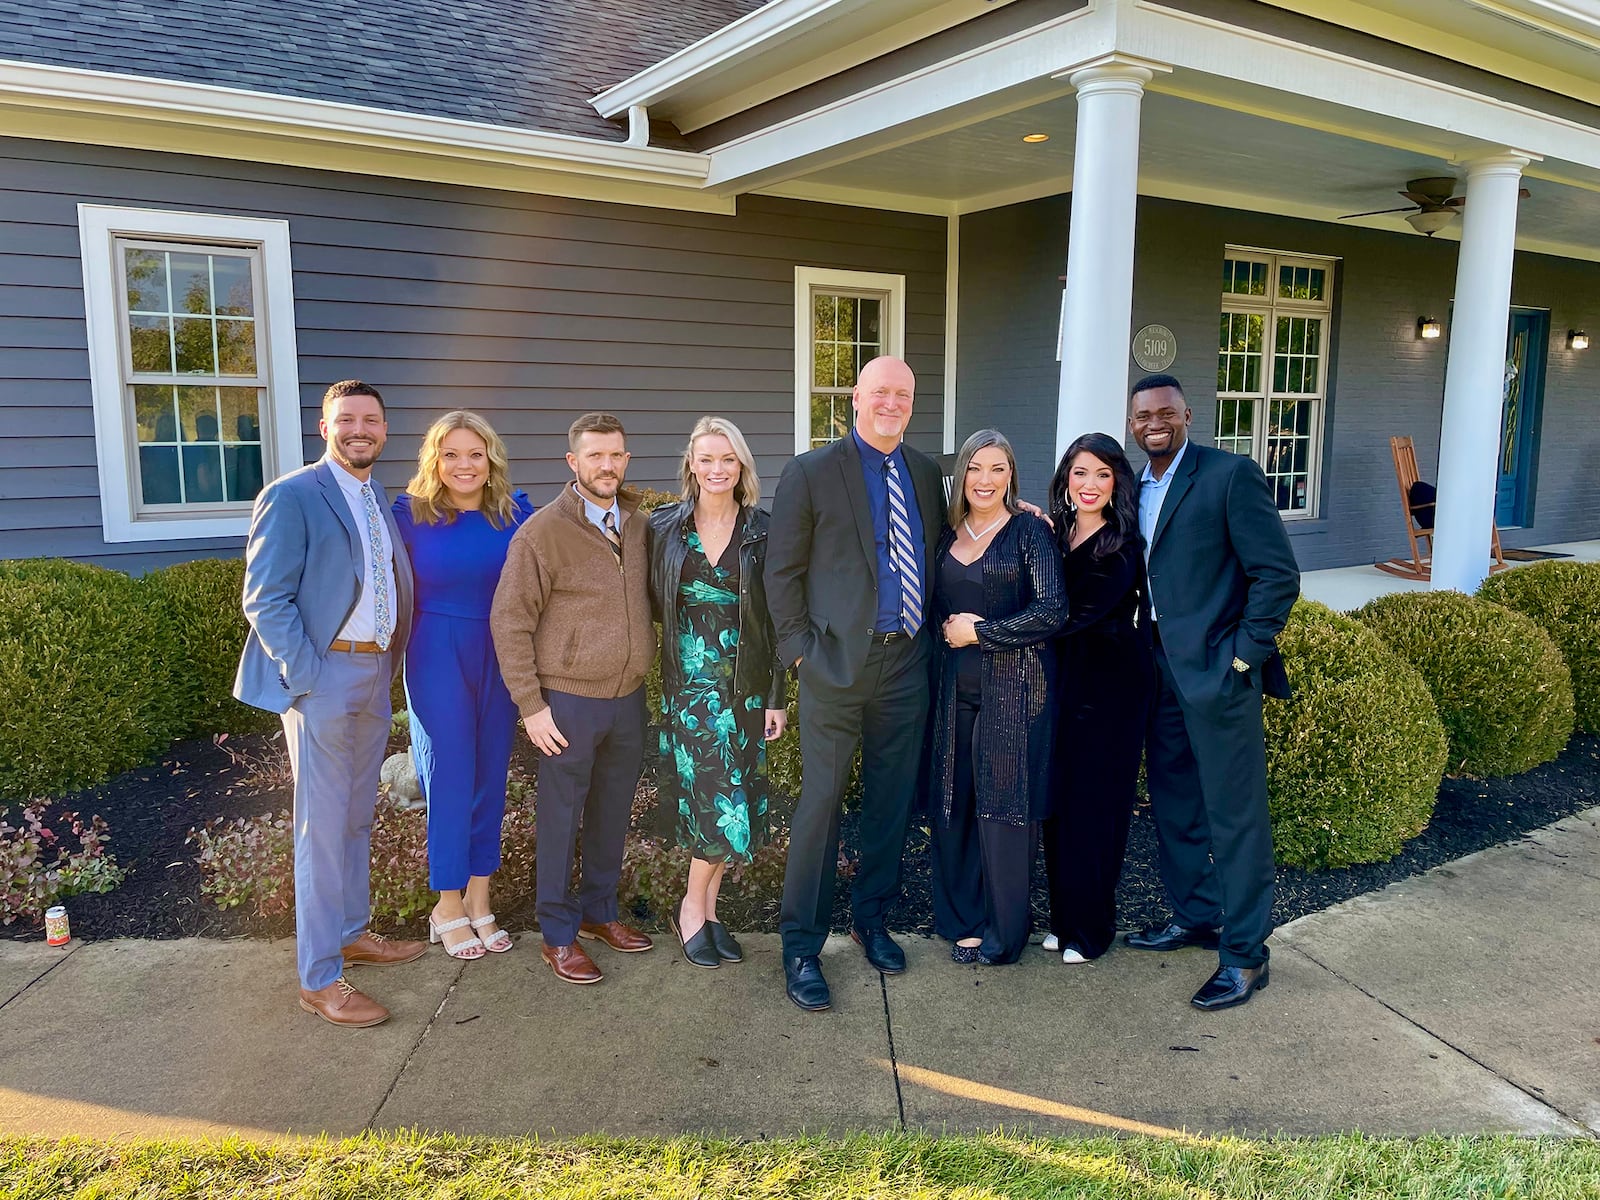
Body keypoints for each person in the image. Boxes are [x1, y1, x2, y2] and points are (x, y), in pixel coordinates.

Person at [235, 379, 426, 1028]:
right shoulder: (292, 495)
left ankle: (350, 932)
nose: (359, 430)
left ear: (385, 429)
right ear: (325, 427)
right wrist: (308, 675)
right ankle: (319, 979)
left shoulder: (376, 498)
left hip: (374, 674)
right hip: (323, 678)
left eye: (371, 420)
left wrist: (387, 664)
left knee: (355, 817)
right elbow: (265, 598)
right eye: (347, 419)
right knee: (320, 828)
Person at [765, 355, 946, 1012]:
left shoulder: (924, 473)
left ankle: (871, 920)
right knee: (821, 804)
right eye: (880, 393)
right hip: (834, 665)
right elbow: (781, 572)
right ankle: (801, 945)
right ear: (855, 399)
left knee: (890, 802)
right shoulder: (811, 471)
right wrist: (801, 655)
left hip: (906, 663)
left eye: (904, 394)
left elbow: (948, 546)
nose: (892, 404)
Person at [1122, 374, 1300, 1010]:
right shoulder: (1133, 487)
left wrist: (1244, 657)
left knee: (1235, 816)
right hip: (1158, 673)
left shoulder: (1229, 476)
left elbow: (1276, 575)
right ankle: (1195, 916)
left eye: (1165, 413)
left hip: (1219, 675)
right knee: (1175, 804)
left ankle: (1246, 954)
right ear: (1132, 424)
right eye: (1143, 416)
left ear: (1187, 415)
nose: (1154, 423)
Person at [490, 412, 656, 985]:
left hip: (628, 696)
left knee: (612, 811)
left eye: (615, 455)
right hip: (567, 702)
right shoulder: (542, 533)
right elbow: (510, 621)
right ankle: (558, 935)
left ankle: (598, 912)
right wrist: (531, 706)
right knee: (561, 818)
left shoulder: (639, 526)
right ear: (573, 462)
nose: (606, 466)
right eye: (594, 455)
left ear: (626, 460)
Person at [647, 417, 788, 968]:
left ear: (742, 465)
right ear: (691, 464)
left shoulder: (764, 531)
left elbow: (775, 622)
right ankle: (690, 909)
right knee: (716, 800)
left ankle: (708, 912)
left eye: (727, 459)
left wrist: (775, 695)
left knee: (735, 801)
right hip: (690, 689)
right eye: (706, 459)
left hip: (744, 688)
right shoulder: (663, 528)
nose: (716, 469)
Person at [393, 411, 534, 961]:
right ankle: (446, 904)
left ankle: (479, 898)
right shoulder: (408, 515)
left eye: (475, 454)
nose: (464, 465)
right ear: (434, 460)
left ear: (491, 459)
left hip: (500, 650)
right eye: (450, 454)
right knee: (449, 772)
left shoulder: (516, 513)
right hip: (435, 649)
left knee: (490, 773)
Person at [929, 429, 1065, 965]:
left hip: (1015, 693)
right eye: (975, 468)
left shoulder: (1029, 531)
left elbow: (1051, 611)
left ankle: (1004, 931)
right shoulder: (947, 533)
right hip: (952, 693)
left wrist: (981, 633)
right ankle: (962, 920)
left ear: (1011, 476)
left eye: (998, 469)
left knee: (1005, 810)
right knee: (956, 803)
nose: (985, 480)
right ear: (961, 473)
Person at [1041, 432, 1154, 965]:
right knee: (1058, 807)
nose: (1090, 485)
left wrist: (993, 631)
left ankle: (1092, 931)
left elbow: (1068, 615)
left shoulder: (1121, 545)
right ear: (1066, 478)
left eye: (1103, 475)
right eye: (1081, 472)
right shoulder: (1056, 533)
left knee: (1095, 809)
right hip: (1063, 685)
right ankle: (1063, 922)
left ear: (1117, 484)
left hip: (1109, 692)